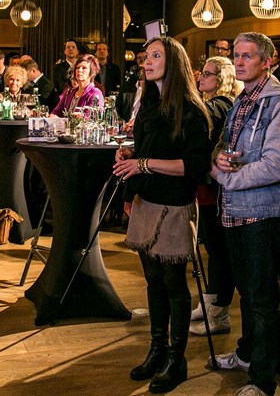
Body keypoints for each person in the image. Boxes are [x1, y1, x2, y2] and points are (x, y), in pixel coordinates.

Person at [114, 36, 211, 394]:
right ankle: (156, 350)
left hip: (173, 203)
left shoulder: (190, 109)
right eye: (146, 56)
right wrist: (131, 157)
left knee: (173, 284)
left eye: (156, 55)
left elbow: (194, 166)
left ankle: (177, 358)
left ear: (175, 62)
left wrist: (143, 163)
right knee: (153, 281)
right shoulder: (150, 103)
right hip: (147, 199)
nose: (147, 61)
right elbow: (150, 149)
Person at [210, 32, 280, 396]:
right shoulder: (242, 98)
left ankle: (262, 379)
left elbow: (278, 165)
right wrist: (217, 158)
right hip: (234, 209)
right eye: (237, 55)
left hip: (260, 211)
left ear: (267, 60)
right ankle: (248, 353)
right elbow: (224, 143)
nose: (240, 61)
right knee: (247, 293)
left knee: (262, 298)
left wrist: (229, 180)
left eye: (248, 56)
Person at [190, 56, 243, 336]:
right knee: (213, 248)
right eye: (202, 73)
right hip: (209, 186)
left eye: (208, 74)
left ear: (221, 79)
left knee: (218, 250)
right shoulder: (217, 103)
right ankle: (210, 303)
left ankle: (219, 313)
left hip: (215, 187)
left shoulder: (218, 105)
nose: (201, 78)